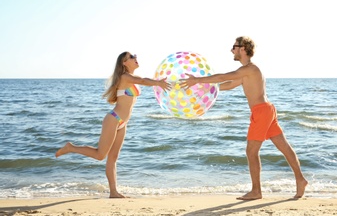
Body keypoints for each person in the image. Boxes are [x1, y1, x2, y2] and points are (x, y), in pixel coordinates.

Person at [180, 36, 308, 200]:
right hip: (266, 110)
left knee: (251, 151)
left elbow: (223, 77)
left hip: (262, 111)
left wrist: (197, 80)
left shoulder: (250, 69)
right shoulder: (246, 72)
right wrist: (206, 89)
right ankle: (300, 179)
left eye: (234, 47)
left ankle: (256, 191)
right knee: (284, 147)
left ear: (243, 48)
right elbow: (227, 84)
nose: (231, 50)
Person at [55, 51, 171, 198]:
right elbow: (143, 81)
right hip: (113, 119)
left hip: (123, 123)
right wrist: (158, 82)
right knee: (100, 155)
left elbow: (141, 81)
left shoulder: (131, 78)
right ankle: (70, 147)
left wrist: (157, 83)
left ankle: (113, 192)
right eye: (131, 57)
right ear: (124, 63)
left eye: (135, 56)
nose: (135, 58)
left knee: (113, 158)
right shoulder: (125, 77)